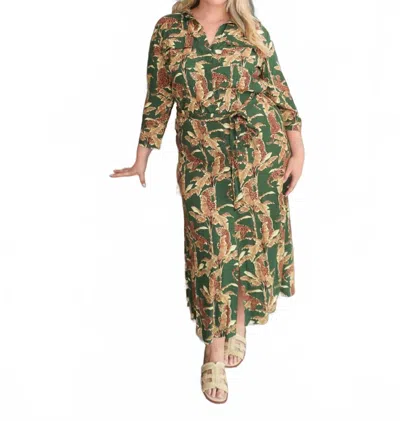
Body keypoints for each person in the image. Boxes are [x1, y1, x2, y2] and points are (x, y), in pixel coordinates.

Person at [110, 0, 305, 404]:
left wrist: (298, 150)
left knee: (248, 240)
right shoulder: (170, 29)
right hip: (201, 154)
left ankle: (237, 324)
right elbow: (159, 93)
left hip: (258, 150)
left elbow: (278, 90)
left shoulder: (251, 29)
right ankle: (213, 348)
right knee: (210, 249)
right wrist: (142, 154)